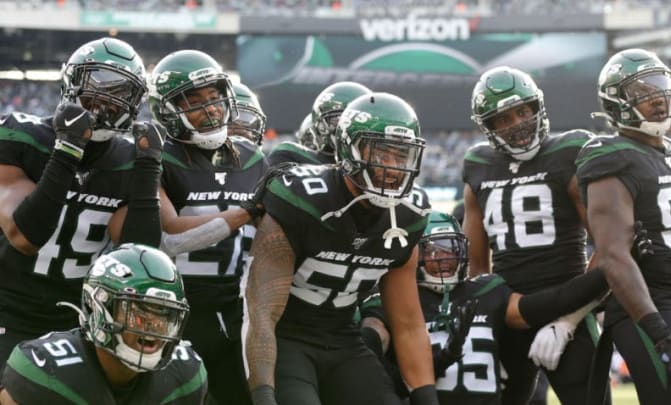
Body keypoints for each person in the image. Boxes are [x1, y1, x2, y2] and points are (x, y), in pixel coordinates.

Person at [244, 92, 440, 405]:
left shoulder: (408, 216)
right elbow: (261, 313)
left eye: (401, 156)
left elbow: (407, 325)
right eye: (381, 153)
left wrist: (427, 398)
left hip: (343, 338)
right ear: (349, 149)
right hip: (286, 336)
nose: (392, 168)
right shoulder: (302, 199)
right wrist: (264, 395)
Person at [0, 37, 166, 366]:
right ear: (72, 83)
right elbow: (24, 236)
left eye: (121, 93)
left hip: (81, 320)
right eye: (97, 86)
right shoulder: (21, 135)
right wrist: (67, 150)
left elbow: (137, 252)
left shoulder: (129, 158)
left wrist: (149, 169)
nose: (106, 102)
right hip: (7, 309)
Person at [577, 48, 671, 404]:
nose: (656, 98)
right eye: (641, 92)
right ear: (616, 102)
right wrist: (661, 336)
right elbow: (612, 256)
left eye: (659, 87)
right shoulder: (611, 157)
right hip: (652, 309)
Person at [359, 211, 611, 404]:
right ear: (415, 255)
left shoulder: (487, 291)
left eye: (450, 248)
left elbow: (552, 301)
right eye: (433, 250)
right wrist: (444, 358)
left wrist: (610, 265)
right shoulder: (394, 301)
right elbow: (380, 374)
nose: (444, 258)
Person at [462, 66, 606, 404]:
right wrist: (489, 315)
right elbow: (477, 267)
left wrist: (569, 321)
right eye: (503, 118)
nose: (517, 123)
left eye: (522, 111)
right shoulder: (477, 164)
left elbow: (609, 248)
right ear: (488, 126)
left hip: (569, 300)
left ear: (536, 107)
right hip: (508, 310)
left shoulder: (570, 150)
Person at [149, 49, 268, 405]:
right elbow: (169, 235)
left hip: (235, 307)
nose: (211, 109)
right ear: (167, 111)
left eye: (215, 98)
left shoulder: (252, 157)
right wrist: (243, 213)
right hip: (173, 307)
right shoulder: (156, 155)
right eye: (195, 101)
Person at [0, 243, 207, 404]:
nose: (154, 324)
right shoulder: (45, 373)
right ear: (97, 307)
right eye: (138, 310)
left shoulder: (185, 374)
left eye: (165, 313)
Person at [266, 81, 370, 166]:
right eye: (338, 120)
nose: (346, 128)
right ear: (320, 126)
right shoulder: (291, 156)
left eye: (358, 120)